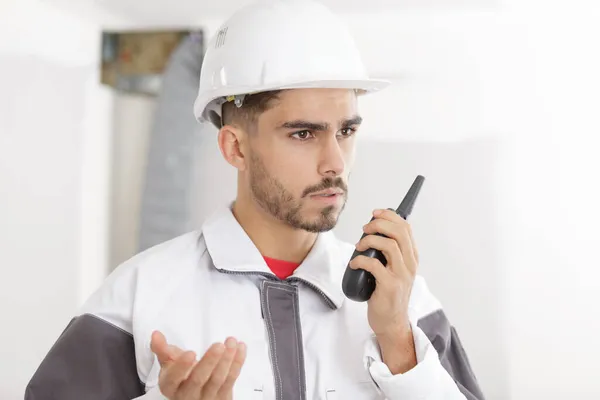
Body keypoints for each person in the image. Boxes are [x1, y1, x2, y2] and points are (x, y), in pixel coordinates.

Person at [25, 1, 485, 399]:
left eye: (346, 131)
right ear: (235, 148)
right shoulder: (135, 299)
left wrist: (399, 344)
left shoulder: (405, 301)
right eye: (304, 133)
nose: (335, 163)